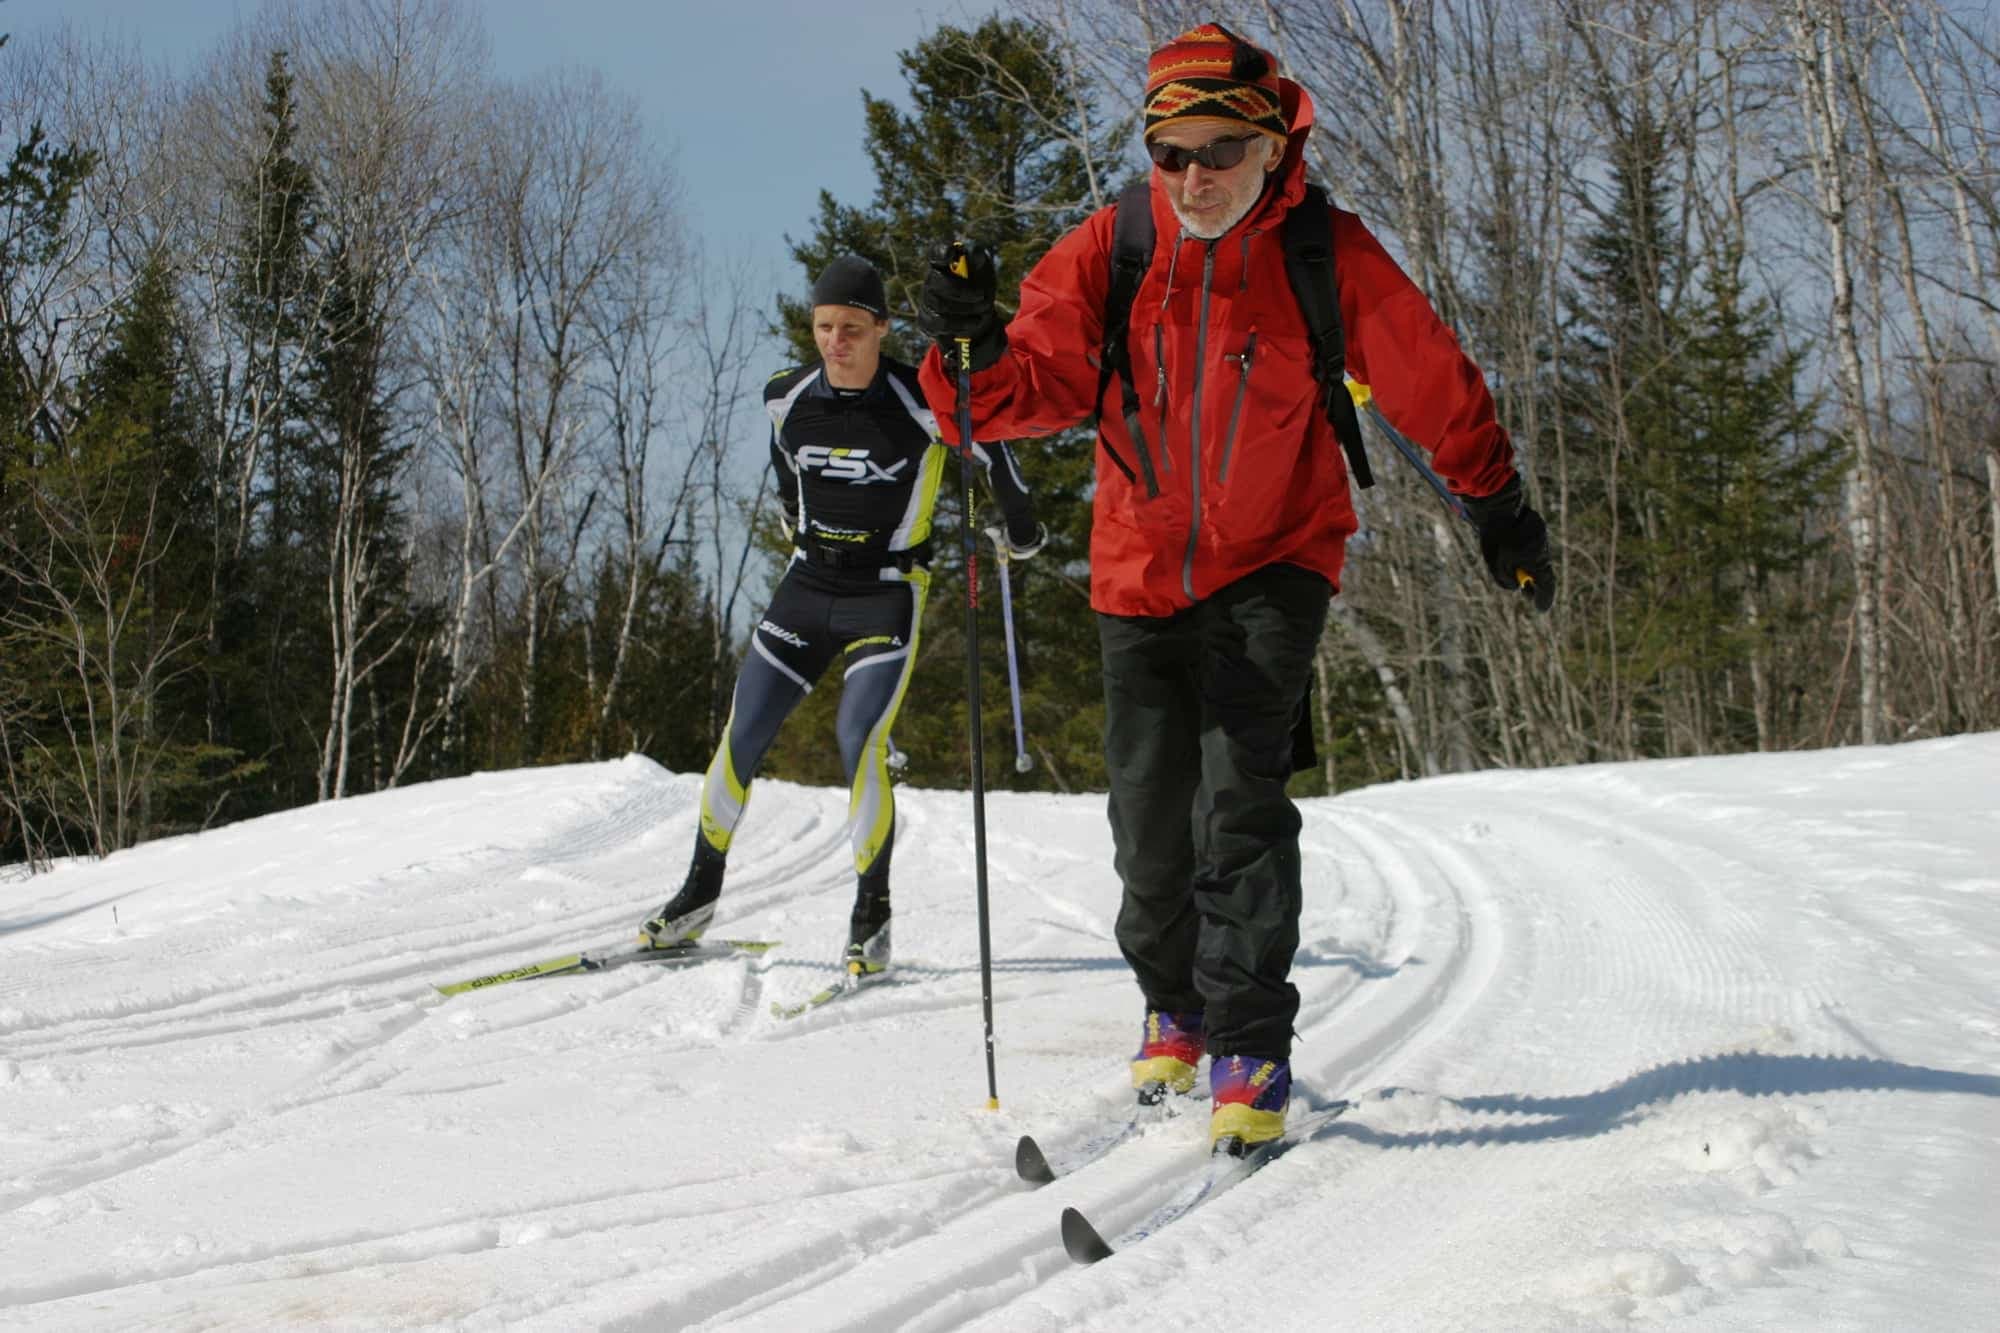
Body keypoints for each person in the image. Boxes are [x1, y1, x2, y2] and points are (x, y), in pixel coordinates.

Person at [916, 24, 1554, 1151]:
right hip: (1134, 570)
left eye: (1219, 150)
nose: (1194, 176)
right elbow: (1011, 398)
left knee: (1239, 812)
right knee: (1146, 830)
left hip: (1275, 561)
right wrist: (961, 348)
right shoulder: (1109, 249)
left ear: (1271, 146)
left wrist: (1494, 502)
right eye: (1171, 153)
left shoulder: (1324, 252)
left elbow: (1428, 376)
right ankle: (1177, 1005)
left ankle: (1250, 1046)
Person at [644, 255, 1047, 980]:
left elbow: (999, 453)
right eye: (825, 327)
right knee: (743, 733)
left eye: (853, 328)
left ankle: (872, 916)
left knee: (857, 739)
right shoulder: (785, 396)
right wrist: (796, 520)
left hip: (887, 591)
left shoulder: (921, 399)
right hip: (807, 584)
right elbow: (784, 464)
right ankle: (697, 896)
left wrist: (1020, 528)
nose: (837, 341)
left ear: (881, 328)